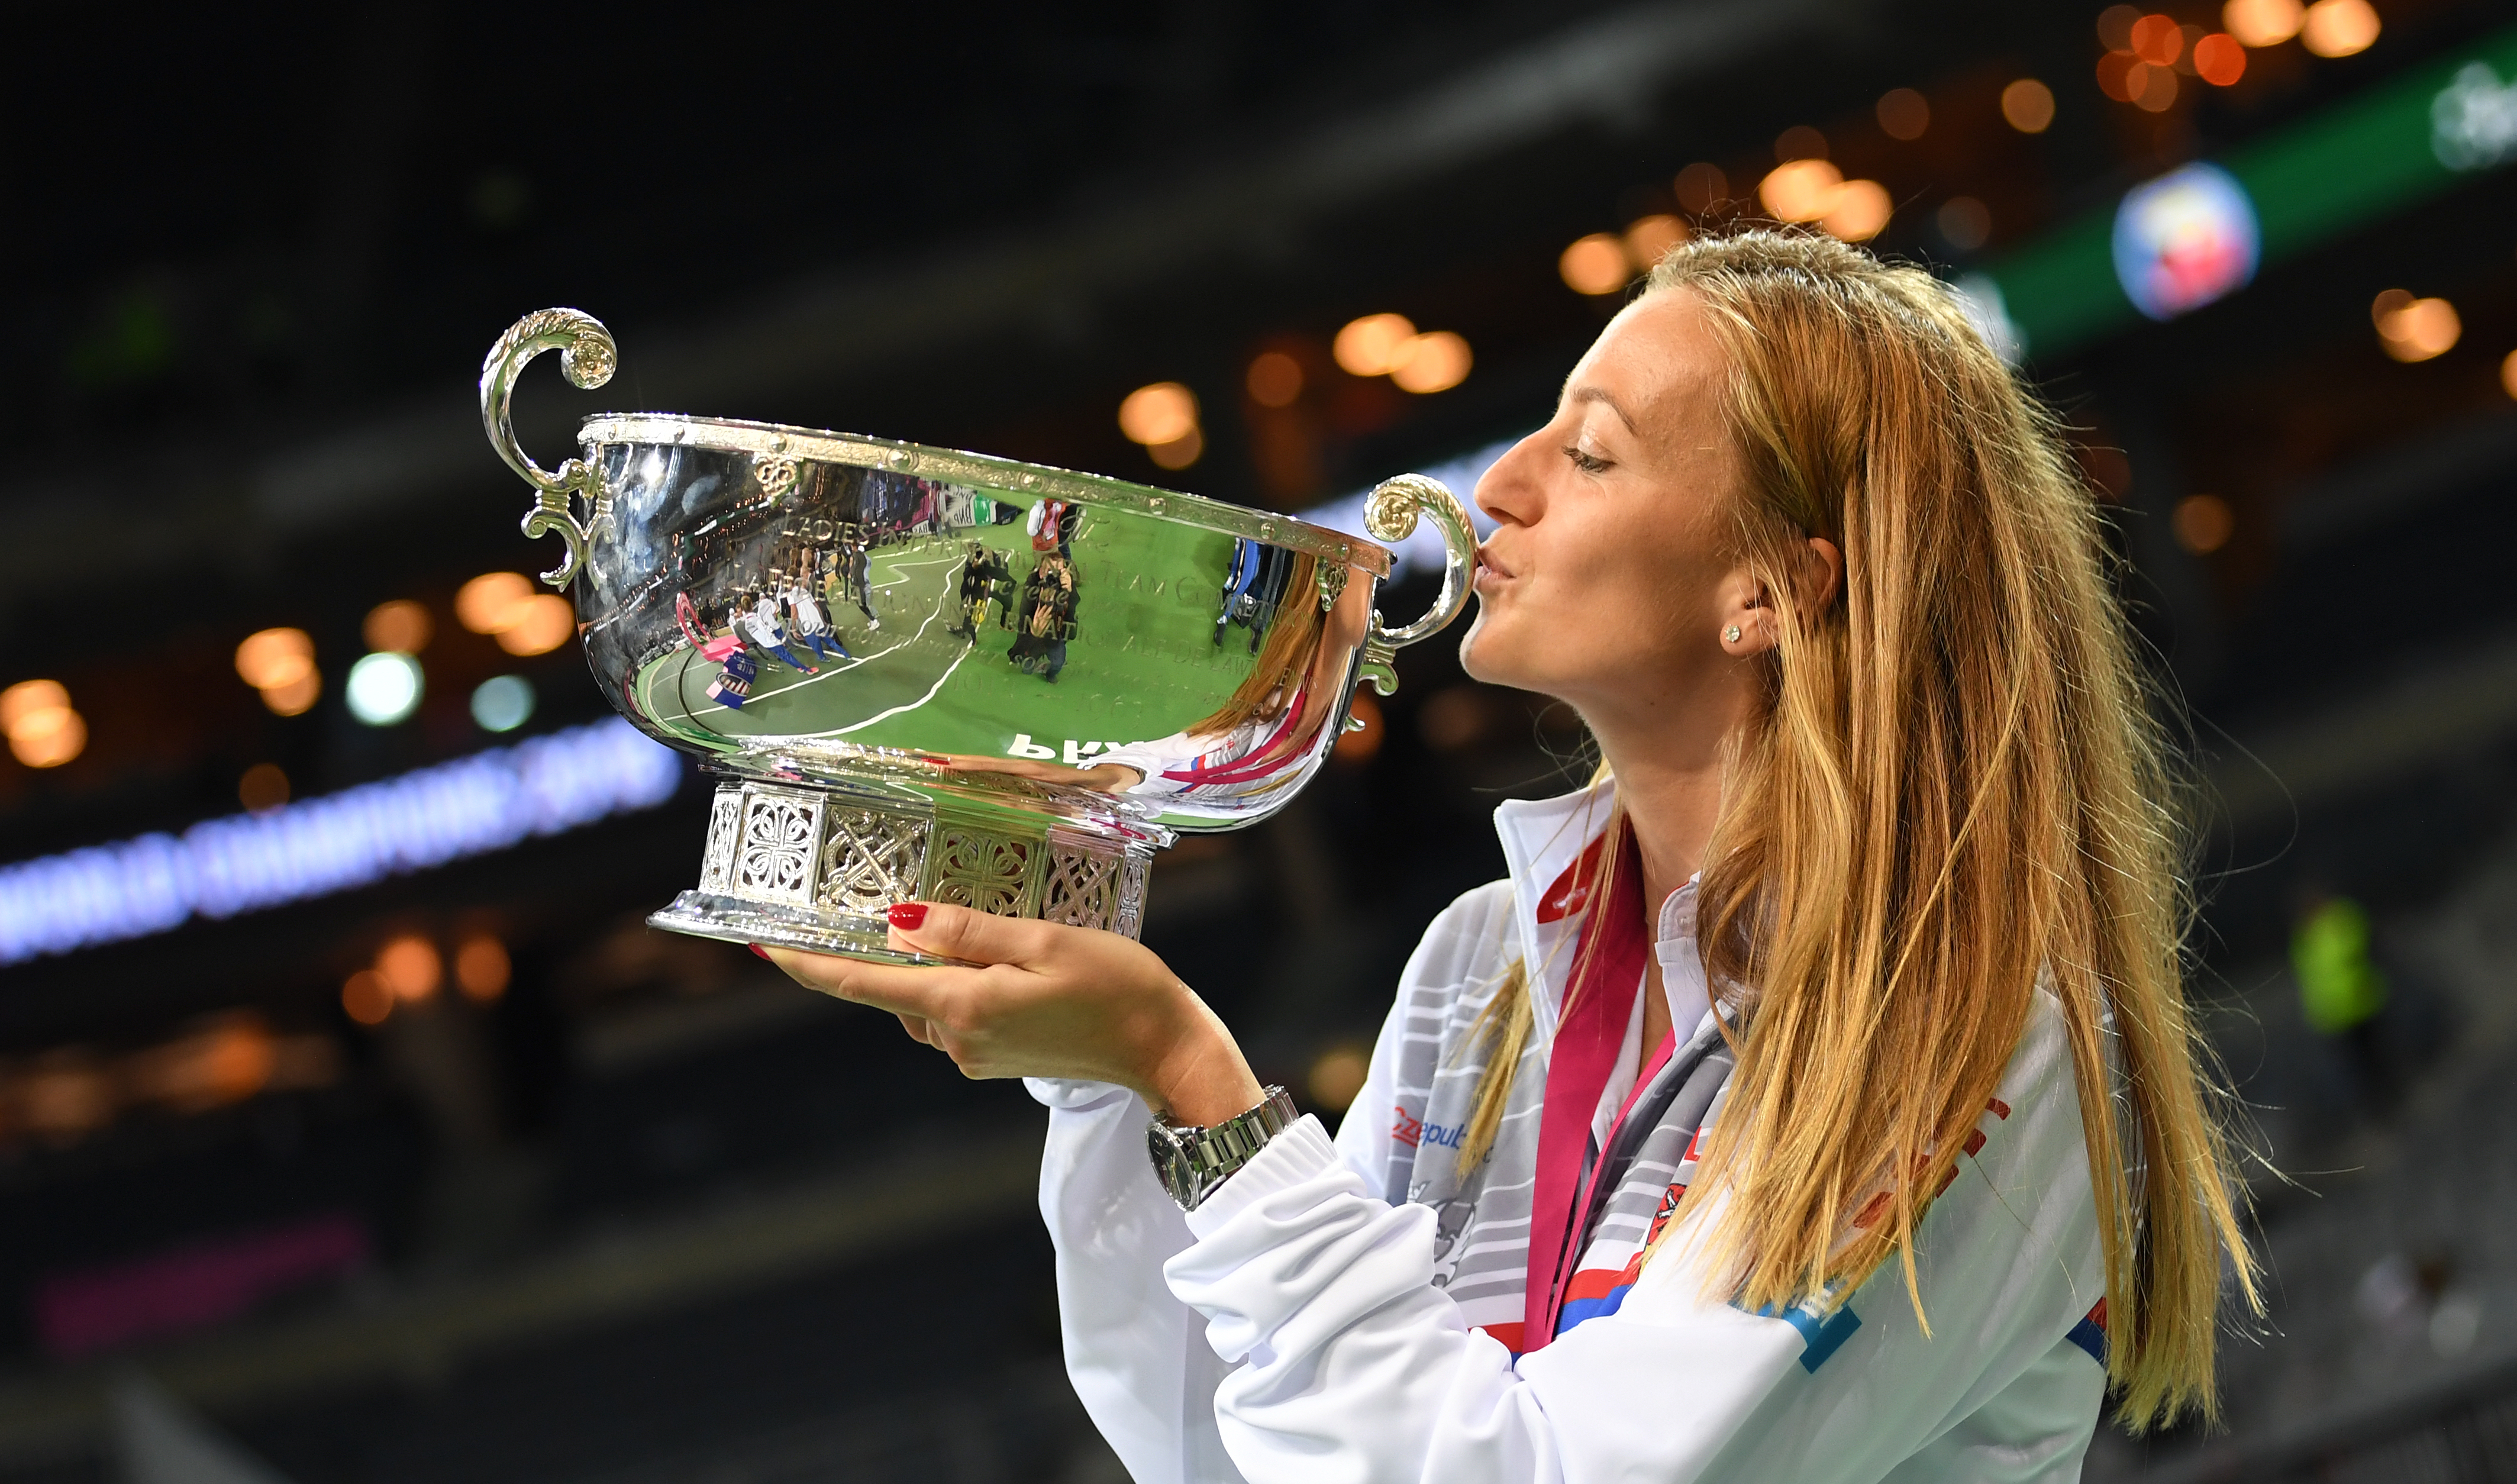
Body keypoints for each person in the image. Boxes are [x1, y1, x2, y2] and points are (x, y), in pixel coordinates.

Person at [760, 232, 2257, 1482]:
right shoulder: (1485, 967)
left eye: (1591, 453)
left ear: (1771, 589)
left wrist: (1189, 1075)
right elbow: (1230, 1450)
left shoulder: (1975, 1033)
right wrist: (1095, 1074)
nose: (1502, 487)